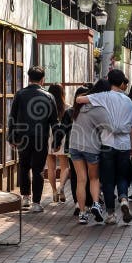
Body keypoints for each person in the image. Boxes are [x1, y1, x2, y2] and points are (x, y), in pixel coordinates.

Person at [77, 70, 132, 224]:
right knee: (122, 176)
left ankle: (111, 214)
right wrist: (131, 145)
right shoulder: (129, 101)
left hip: (107, 144)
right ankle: (123, 198)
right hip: (124, 144)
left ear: (109, 81)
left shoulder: (103, 96)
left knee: (108, 180)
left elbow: (79, 100)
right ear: (122, 82)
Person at [7, 66, 58, 213]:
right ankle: (36, 202)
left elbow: (13, 117)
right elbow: (54, 121)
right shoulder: (49, 97)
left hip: (23, 137)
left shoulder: (20, 94)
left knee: (23, 167)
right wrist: (56, 141)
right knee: (38, 170)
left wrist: (11, 136)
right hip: (41, 138)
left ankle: (25, 198)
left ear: (28, 78)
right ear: (43, 80)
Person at [69, 79, 113, 224]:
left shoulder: (79, 103)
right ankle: (95, 204)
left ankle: (82, 213)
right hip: (91, 147)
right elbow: (109, 127)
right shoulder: (98, 108)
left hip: (74, 145)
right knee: (94, 178)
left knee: (81, 180)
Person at [60, 86, 92, 216]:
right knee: (89, 176)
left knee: (76, 177)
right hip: (89, 148)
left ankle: (78, 203)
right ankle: (87, 203)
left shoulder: (70, 112)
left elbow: (62, 129)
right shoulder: (91, 111)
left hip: (72, 149)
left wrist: (56, 143)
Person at [46, 84, 71, 203]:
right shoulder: (67, 107)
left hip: (49, 137)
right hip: (62, 138)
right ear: (62, 94)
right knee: (64, 166)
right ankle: (62, 188)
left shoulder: (46, 106)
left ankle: (54, 191)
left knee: (51, 167)